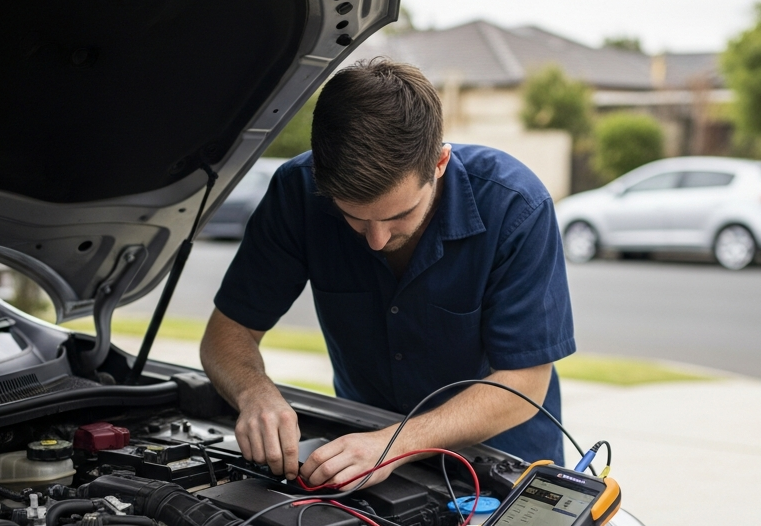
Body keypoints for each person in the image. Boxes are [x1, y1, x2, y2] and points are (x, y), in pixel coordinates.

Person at [200, 59, 575, 488]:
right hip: (363, 462)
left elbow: (523, 384)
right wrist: (255, 393)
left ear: (439, 163)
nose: (376, 240)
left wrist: (395, 443)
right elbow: (226, 333)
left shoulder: (516, 206)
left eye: (399, 215)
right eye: (354, 219)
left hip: (502, 469)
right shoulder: (297, 192)